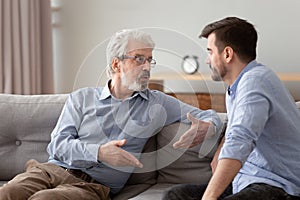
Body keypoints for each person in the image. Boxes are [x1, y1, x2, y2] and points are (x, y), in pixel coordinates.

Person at [0, 29, 222, 200]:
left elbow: (212, 116)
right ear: (116, 64)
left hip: (92, 186)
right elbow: (57, 146)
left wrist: (208, 126)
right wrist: (99, 153)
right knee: (8, 192)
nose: (147, 67)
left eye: (149, 59)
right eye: (139, 58)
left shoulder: (158, 103)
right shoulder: (82, 98)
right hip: (50, 170)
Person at [163, 17, 300, 200]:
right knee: (176, 195)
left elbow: (240, 139)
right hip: (246, 182)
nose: (207, 60)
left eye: (210, 52)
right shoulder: (236, 87)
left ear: (227, 54)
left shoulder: (256, 81)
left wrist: (209, 198)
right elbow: (240, 125)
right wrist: (221, 146)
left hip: (278, 186)